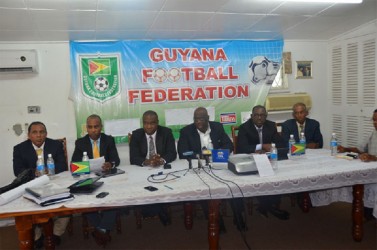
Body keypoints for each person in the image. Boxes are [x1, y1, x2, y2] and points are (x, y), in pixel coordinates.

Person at [13, 121, 69, 248]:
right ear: (29, 135)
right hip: (33, 185)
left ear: (46, 134)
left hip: (54, 182)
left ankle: (56, 234)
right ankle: (37, 235)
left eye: (41, 132)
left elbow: (63, 165)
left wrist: (49, 170)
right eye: (35, 132)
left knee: (66, 205)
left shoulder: (55, 145)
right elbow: (18, 171)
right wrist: (35, 173)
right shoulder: (19, 149)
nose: (38, 135)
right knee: (31, 207)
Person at [177, 107, 233, 231]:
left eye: (201, 119)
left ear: (208, 119)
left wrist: (216, 153)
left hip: (218, 164)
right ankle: (217, 222)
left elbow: (229, 145)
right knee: (205, 189)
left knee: (234, 184)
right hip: (199, 166)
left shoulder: (217, 127)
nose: (198, 122)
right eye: (196, 119)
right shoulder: (186, 131)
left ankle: (239, 219)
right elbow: (183, 152)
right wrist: (202, 155)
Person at [71, 114, 120, 247]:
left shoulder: (108, 140)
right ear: (86, 128)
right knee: (85, 201)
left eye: (96, 127)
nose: (93, 130)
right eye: (90, 127)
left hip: (106, 177)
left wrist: (111, 164)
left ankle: (100, 230)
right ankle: (103, 230)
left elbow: (116, 160)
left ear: (101, 127)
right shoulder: (80, 143)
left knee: (115, 199)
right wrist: (87, 166)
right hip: (88, 179)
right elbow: (74, 165)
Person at [237, 105, 290, 220]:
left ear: (266, 116)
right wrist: (262, 146)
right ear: (252, 116)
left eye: (262, 115)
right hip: (252, 161)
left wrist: (271, 147)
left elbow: (280, 144)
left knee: (279, 176)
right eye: (256, 115)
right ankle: (267, 206)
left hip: (268, 159)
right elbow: (241, 148)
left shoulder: (271, 126)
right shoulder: (244, 128)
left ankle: (266, 205)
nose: (259, 118)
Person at [129, 110, 177, 225]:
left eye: (152, 123)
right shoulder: (136, 134)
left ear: (157, 122)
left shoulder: (166, 132)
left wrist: (160, 160)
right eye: (146, 123)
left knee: (167, 184)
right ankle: (159, 210)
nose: (149, 126)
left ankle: (154, 209)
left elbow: (172, 153)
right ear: (142, 123)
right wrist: (147, 161)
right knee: (144, 187)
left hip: (161, 168)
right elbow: (133, 157)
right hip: (143, 169)